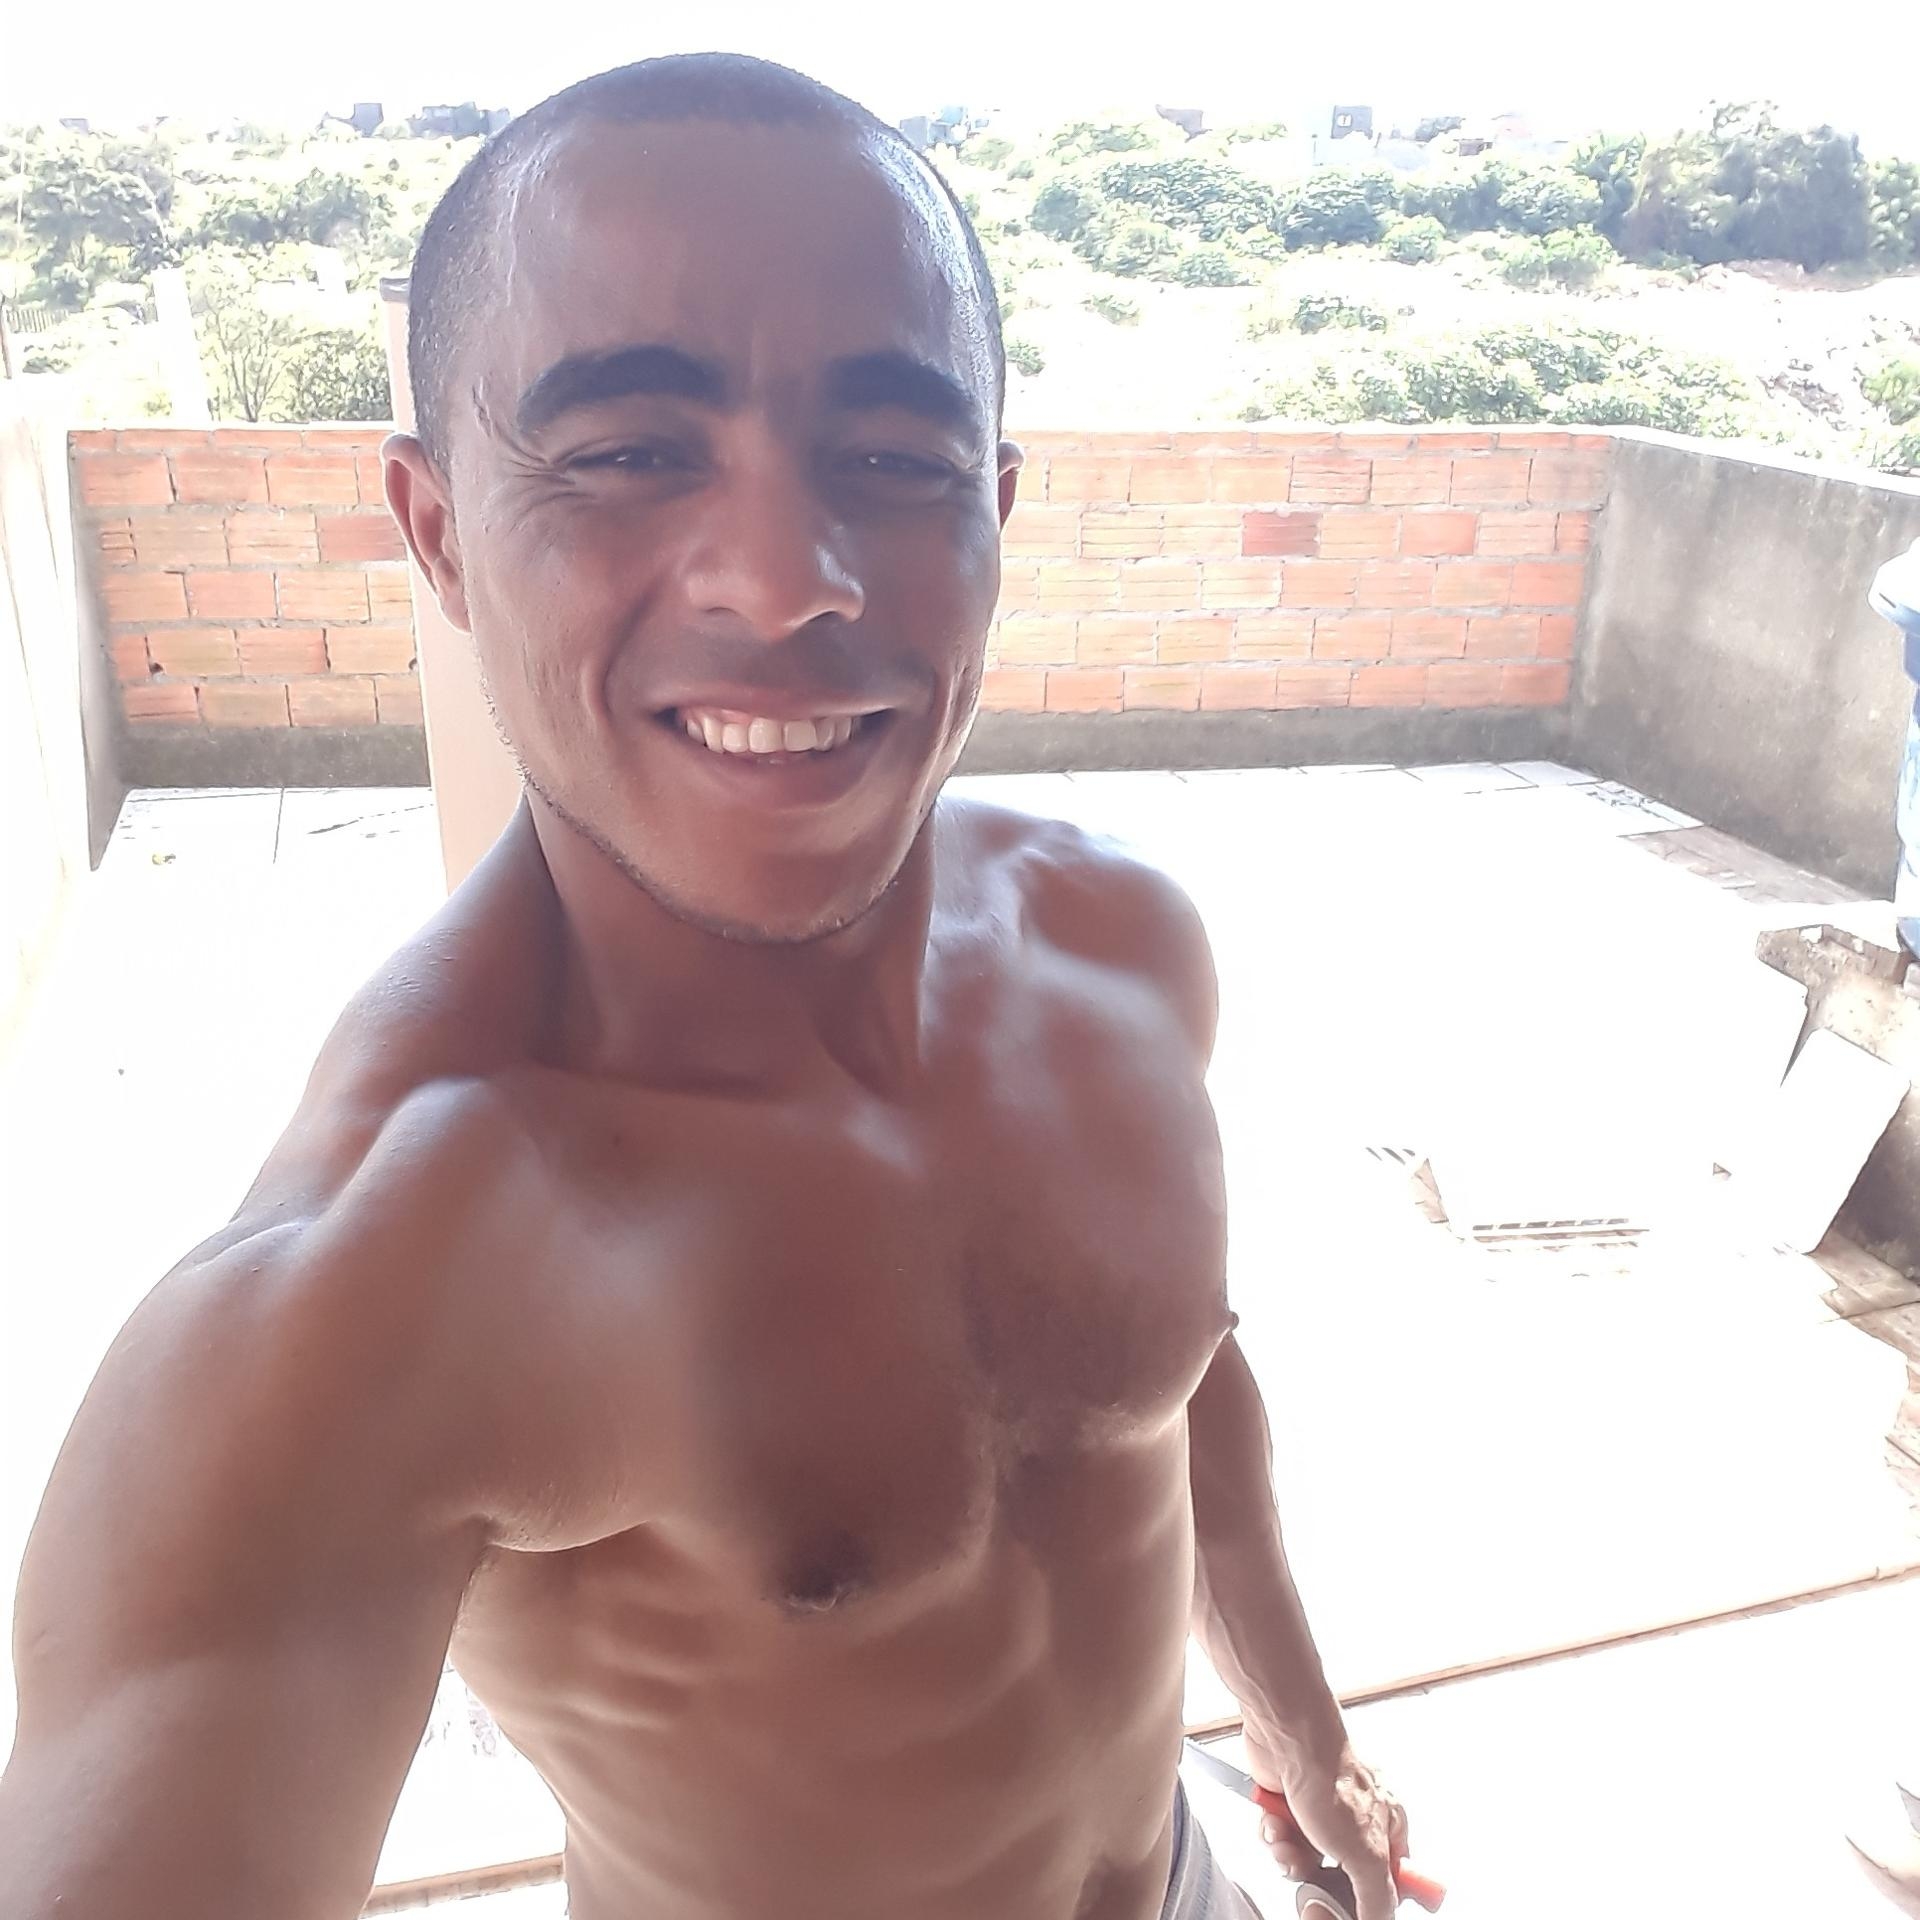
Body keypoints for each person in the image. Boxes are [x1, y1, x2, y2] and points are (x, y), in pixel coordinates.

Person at [0, 54, 1410, 1920]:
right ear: (438, 531)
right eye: (627, 452)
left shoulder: (1123, 950)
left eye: (893, 460)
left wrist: (1301, 1728)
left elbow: (1171, 1382)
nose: (785, 579)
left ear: (994, 511)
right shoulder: (374, 1289)